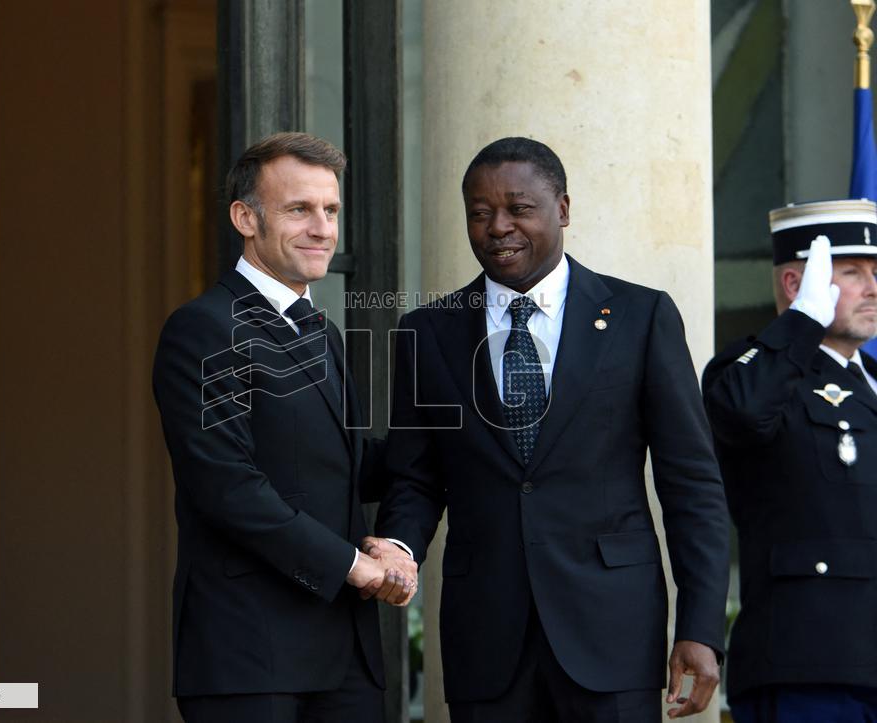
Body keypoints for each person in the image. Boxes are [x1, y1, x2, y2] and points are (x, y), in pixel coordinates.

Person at [370, 136, 731, 722]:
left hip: (611, 633)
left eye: (519, 208)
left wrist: (701, 627)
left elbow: (692, 485)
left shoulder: (641, 318)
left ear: (562, 209)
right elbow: (416, 477)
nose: (498, 227)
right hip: (486, 636)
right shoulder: (428, 332)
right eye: (480, 213)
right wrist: (401, 547)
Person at [152, 131, 416, 723]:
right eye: (300, 209)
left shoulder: (322, 333)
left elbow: (338, 466)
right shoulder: (201, 330)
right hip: (249, 657)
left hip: (343, 659)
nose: (322, 228)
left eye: (331, 211)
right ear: (245, 217)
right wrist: (356, 566)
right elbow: (228, 488)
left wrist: (455, 452)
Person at [703, 199, 877, 722]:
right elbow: (744, 413)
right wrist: (801, 325)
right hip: (810, 663)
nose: (872, 286)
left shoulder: (870, 383)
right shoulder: (748, 371)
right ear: (795, 284)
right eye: (851, 272)